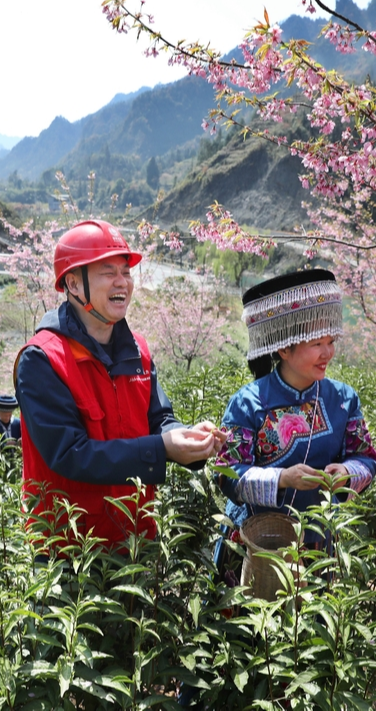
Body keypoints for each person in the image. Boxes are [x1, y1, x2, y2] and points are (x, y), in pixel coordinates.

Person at [15, 219, 225, 554]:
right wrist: (162, 449)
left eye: (126, 272)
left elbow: (159, 419)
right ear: (73, 283)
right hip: (72, 553)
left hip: (139, 537)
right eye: (107, 272)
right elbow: (70, 454)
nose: (122, 282)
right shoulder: (42, 359)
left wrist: (188, 439)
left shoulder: (138, 349)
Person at [214, 269, 376, 580]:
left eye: (331, 341)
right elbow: (225, 476)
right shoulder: (248, 402)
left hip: (317, 546)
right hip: (255, 545)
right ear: (284, 349)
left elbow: (368, 459)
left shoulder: (343, 399)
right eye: (317, 343)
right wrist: (281, 479)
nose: (327, 352)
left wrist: (347, 472)